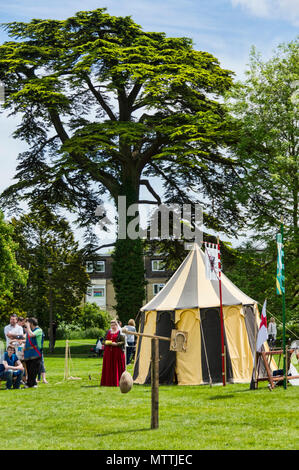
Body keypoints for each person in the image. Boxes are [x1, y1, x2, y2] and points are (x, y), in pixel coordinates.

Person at [100, 319, 126, 386]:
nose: (113, 326)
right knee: (108, 367)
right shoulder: (108, 332)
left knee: (116, 367)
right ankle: (107, 382)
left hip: (117, 352)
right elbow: (103, 341)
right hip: (108, 353)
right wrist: (106, 342)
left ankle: (117, 382)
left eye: (114, 325)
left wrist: (116, 344)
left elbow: (123, 342)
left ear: (117, 325)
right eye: (111, 325)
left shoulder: (120, 332)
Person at [23, 317, 44, 388]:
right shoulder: (29, 331)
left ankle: (33, 384)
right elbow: (27, 341)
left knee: (33, 369)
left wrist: (28, 327)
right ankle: (29, 384)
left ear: (31, 323)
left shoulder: (39, 330)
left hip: (36, 353)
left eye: (28, 323)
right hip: (28, 353)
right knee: (29, 369)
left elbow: (32, 335)